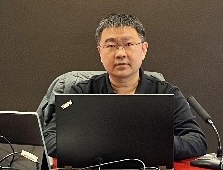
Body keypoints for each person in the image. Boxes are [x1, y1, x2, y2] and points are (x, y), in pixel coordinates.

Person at [43, 13, 208, 161]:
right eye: (111, 46)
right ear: (100, 52)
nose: (120, 53)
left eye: (128, 44)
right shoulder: (81, 93)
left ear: (143, 49)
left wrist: (152, 146)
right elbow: (49, 138)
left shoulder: (166, 93)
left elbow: (196, 140)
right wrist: (103, 145)